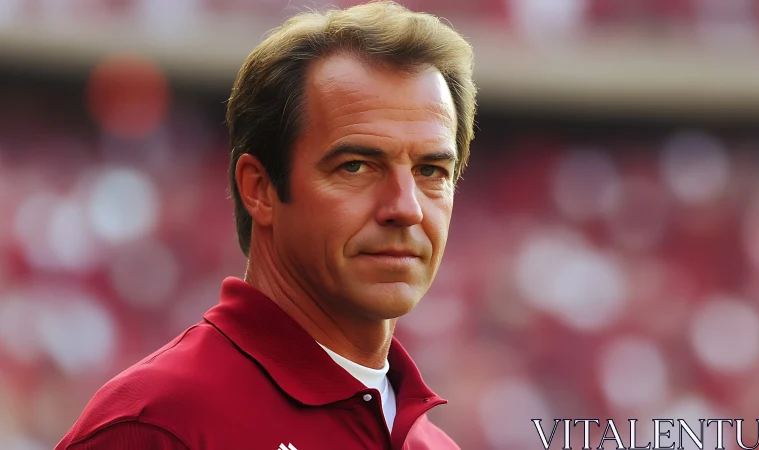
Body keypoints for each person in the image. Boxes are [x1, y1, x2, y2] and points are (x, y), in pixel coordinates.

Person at [55, 1, 477, 448]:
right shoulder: (157, 426)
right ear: (259, 189)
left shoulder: (433, 443)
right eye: (356, 166)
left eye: (431, 171)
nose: (406, 208)